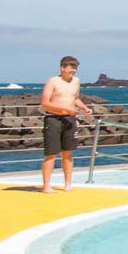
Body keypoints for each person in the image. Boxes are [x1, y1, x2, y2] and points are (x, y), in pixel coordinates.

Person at [40, 55, 94, 194]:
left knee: (68, 153)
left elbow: (75, 98)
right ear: (62, 67)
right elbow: (45, 103)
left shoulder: (76, 81)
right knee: (51, 154)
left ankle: (67, 184)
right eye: (71, 68)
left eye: (75, 68)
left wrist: (84, 108)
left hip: (70, 120)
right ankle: (46, 186)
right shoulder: (53, 81)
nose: (73, 71)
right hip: (53, 119)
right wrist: (64, 110)